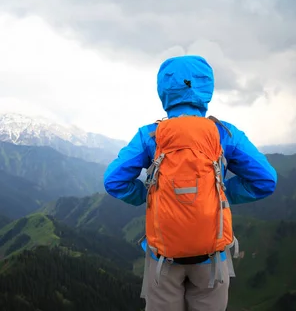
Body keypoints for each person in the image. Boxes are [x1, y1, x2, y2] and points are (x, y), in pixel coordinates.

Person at [103, 55, 277, 311]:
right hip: (212, 259)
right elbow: (265, 180)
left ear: (164, 90)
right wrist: (223, 193)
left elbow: (114, 181)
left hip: (162, 258)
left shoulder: (150, 135)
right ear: (206, 88)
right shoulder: (224, 134)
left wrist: (147, 194)